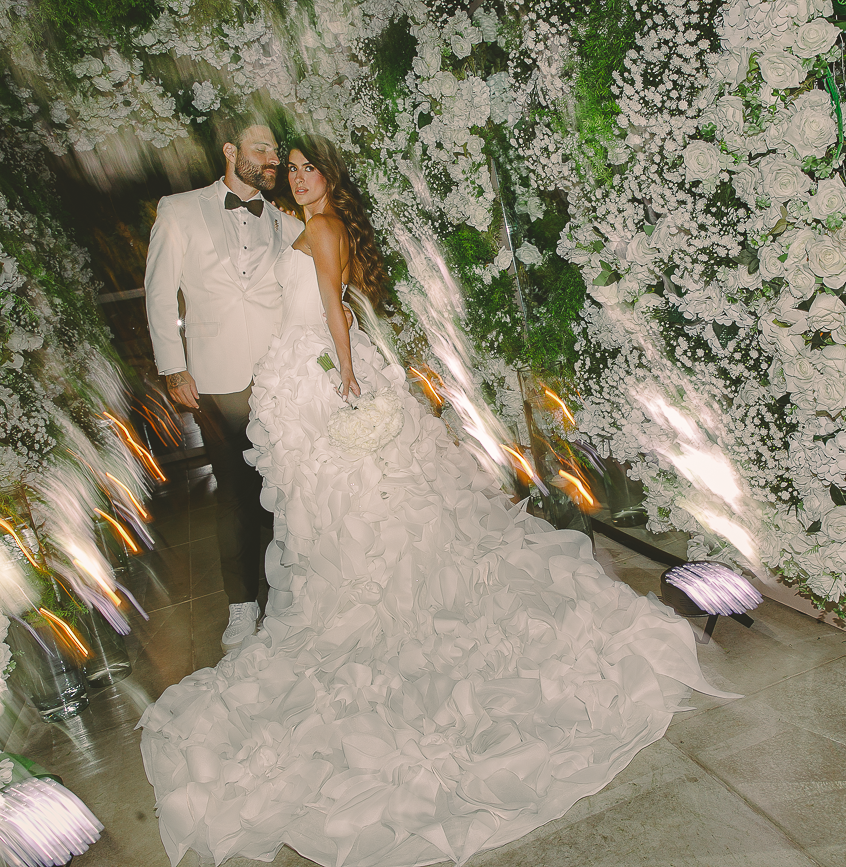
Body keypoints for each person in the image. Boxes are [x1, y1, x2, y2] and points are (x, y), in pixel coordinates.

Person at [139, 135, 730, 867]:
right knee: (339, 506)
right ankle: (352, 579)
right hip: (298, 374)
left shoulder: (319, 228)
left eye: (304, 165)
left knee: (350, 504)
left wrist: (349, 384)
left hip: (321, 372)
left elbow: (330, 305)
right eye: (287, 167)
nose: (294, 175)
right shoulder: (301, 222)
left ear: (328, 172)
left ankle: (361, 591)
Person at [143, 116, 303, 650]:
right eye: (262, 149)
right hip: (216, 376)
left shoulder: (284, 221)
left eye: (276, 152)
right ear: (231, 151)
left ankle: (294, 590)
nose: (273, 160)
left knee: (286, 489)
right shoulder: (179, 210)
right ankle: (241, 606)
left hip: (282, 375)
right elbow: (160, 293)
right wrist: (172, 366)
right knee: (235, 492)